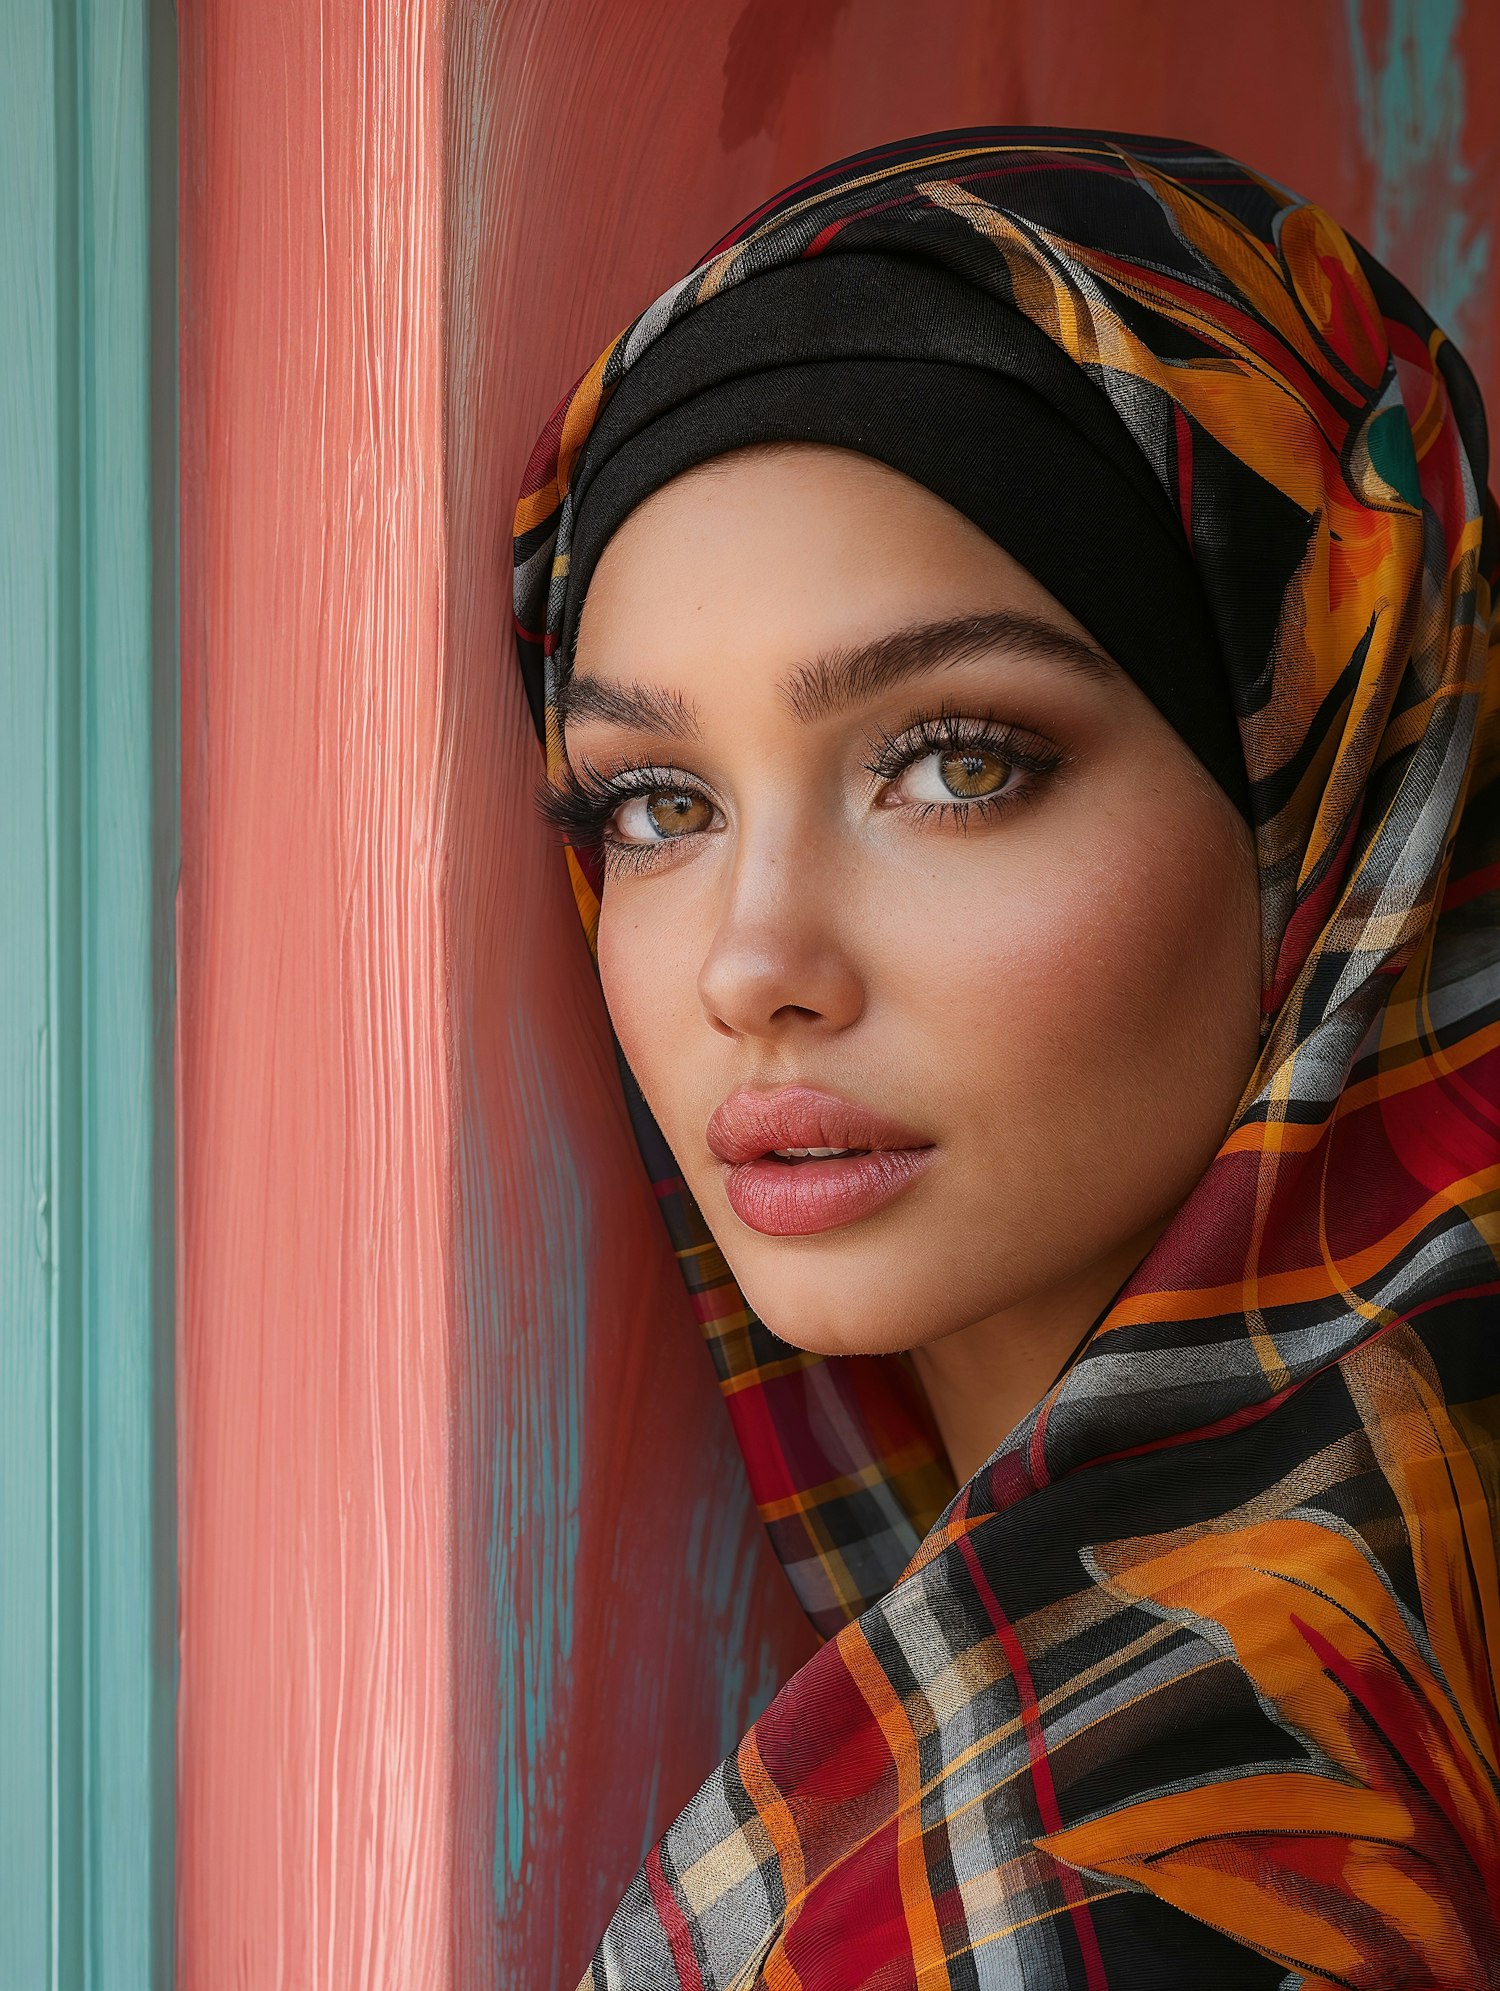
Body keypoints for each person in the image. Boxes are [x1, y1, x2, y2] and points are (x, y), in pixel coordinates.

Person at [512, 127, 1500, 1988]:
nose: (753, 964)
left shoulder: (1180, 1864)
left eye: (959, 762)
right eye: (655, 803)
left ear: (1334, 795)